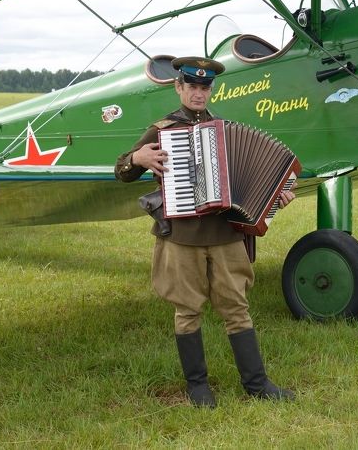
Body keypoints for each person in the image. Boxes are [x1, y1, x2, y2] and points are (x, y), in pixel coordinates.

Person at [116, 56, 295, 408]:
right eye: (192, 86)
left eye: (204, 87)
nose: (199, 93)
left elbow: (252, 183)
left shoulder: (225, 130)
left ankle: (257, 384)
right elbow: (121, 170)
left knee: (237, 307)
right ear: (179, 87)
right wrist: (136, 160)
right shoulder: (162, 129)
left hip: (225, 235)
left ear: (210, 90)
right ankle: (198, 387)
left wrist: (276, 199)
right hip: (182, 237)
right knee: (187, 310)